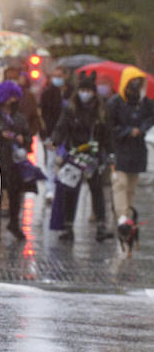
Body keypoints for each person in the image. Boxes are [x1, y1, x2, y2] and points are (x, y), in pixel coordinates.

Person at [51, 73, 112, 241]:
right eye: (82, 90)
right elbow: (61, 127)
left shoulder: (101, 110)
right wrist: (55, 141)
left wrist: (110, 153)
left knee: (97, 190)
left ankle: (101, 225)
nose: (85, 93)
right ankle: (68, 226)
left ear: (93, 92)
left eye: (88, 90)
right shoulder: (70, 109)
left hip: (94, 156)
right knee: (70, 191)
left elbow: (107, 134)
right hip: (74, 154)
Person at [107, 69, 154, 221]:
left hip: (137, 150)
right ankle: (122, 216)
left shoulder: (145, 103)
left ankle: (125, 213)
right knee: (120, 183)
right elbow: (109, 126)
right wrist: (127, 131)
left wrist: (141, 129)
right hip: (119, 149)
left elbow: (150, 118)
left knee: (131, 187)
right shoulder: (115, 103)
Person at [0, 81, 30, 239]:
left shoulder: (19, 117)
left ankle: (14, 224)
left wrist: (22, 139)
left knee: (15, 194)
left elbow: (28, 136)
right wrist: (0, 134)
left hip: (15, 162)